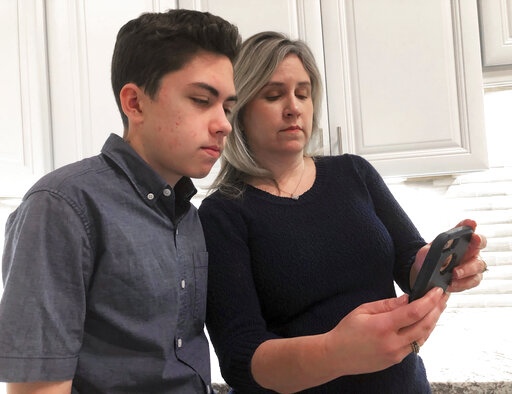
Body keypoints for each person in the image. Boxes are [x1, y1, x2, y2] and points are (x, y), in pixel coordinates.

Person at [198, 32, 488, 393]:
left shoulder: (353, 173)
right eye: (273, 95)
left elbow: (408, 261)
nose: (294, 107)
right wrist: (335, 353)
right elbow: (241, 358)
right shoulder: (222, 214)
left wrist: (432, 264)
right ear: (237, 111)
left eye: (303, 94)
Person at [0, 9, 240, 393]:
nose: (224, 123)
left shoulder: (190, 218)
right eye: (200, 100)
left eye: (227, 108)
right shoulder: (62, 207)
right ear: (135, 103)